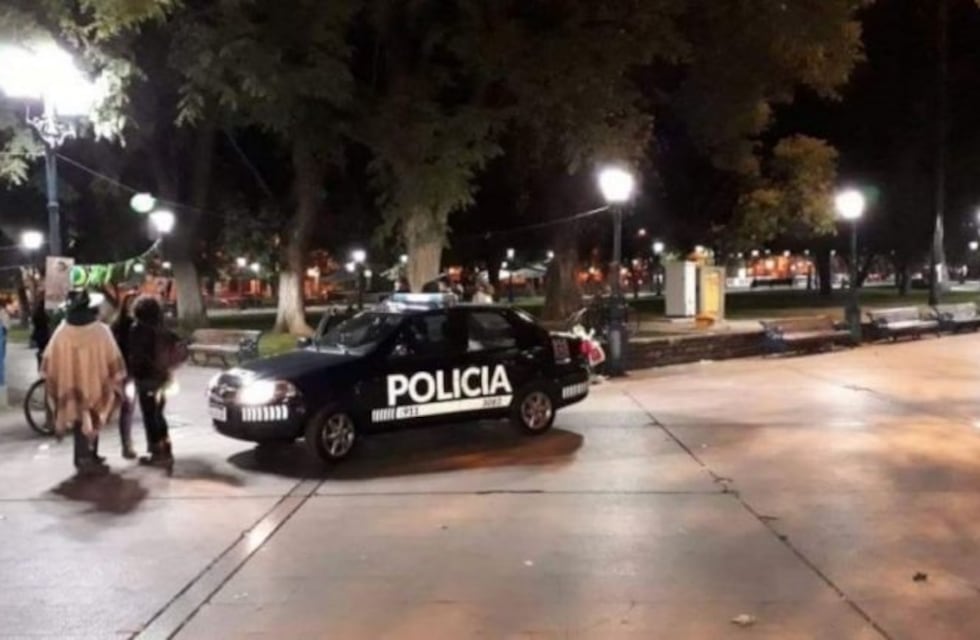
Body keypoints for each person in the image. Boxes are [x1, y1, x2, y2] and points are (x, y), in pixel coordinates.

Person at [41, 289, 126, 476]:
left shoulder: (62, 331)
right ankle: (87, 456)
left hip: (70, 383)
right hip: (96, 383)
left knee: (79, 417)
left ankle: (84, 456)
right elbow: (114, 359)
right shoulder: (101, 331)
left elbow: (49, 359)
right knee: (94, 413)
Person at [128, 296, 180, 471]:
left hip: (146, 379)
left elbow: (136, 355)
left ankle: (158, 452)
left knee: (150, 416)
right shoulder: (162, 328)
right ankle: (165, 448)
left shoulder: (138, 330)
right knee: (159, 414)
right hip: (163, 378)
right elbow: (177, 342)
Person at [111, 291, 139, 459]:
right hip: (125, 372)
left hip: (135, 372)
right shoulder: (121, 325)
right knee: (126, 408)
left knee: (129, 408)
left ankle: (128, 444)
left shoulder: (142, 324)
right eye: (131, 304)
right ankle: (126, 444)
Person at [29, 295, 51, 369]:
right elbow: (48, 321)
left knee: (40, 349)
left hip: (38, 333)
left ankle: (40, 364)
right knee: (45, 349)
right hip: (44, 333)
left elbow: (33, 321)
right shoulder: (44, 314)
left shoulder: (36, 313)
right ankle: (44, 365)